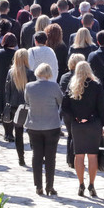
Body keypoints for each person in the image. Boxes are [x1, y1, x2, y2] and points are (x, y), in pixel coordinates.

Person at [61, 61, 104, 197]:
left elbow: (64, 107)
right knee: (93, 155)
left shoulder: (72, 86)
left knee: (79, 155)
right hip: (93, 123)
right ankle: (91, 184)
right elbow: (101, 108)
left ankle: (81, 184)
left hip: (77, 124)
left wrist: (74, 118)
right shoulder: (96, 86)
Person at [24, 63, 64, 196]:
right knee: (50, 157)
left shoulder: (29, 86)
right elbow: (60, 101)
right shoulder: (54, 86)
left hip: (34, 125)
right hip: (51, 125)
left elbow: (27, 102)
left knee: (37, 155)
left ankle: (38, 186)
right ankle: (49, 186)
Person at [5, 49, 35, 166]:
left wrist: (7, 104)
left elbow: (7, 91)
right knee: (32, 131)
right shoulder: (30, 73)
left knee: (18, 133)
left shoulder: (11, 73)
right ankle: (36, 155)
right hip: (28, 106)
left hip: (14, 106)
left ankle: (21, 158)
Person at [0, 33, 18, 141]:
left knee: (3, 108)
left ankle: (7, 133)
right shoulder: (17, 54)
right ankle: (10, 133)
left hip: (0, 83)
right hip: (14, 83)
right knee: (12, 108)